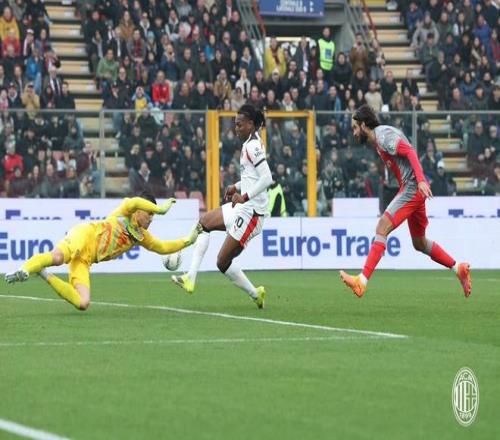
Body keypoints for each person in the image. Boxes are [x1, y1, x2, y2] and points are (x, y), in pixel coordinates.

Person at [339, 105, 471, 298]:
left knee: (382, 226)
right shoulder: (378, 141)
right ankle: (458, 268)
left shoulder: (383, 137)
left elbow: (409, 151)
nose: (354, 132)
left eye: (355, 127)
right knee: (419, 243)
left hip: (412, 187)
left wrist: (421, 181)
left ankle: (362, 281)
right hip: (412, 189)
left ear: (364, 125)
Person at [5, 194, 202, 311]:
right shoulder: (126, 211)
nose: (151, 218)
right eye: (150, 214)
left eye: (153, 215)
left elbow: (163, 247)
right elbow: (135, 201)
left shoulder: (142, 236)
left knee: (83, 303)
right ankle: (25, 269)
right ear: (140, 211)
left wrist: (189, 240)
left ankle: (42, 273)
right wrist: (160, 209)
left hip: (86, 260)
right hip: (84, 235)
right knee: (57, 257)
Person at [172, 104, 272, 308]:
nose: (236, 128)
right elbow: (253, 177)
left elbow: (267, 178)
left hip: (252, 214)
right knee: (204, 222)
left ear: (250, 124)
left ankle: (255, 294)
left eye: (240, 125)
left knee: (222, 261)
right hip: (244, 206)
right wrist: (236, 186)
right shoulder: (250, 143)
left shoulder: (252, 146)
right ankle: (190, 277)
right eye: (235, 124)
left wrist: (244, 196)